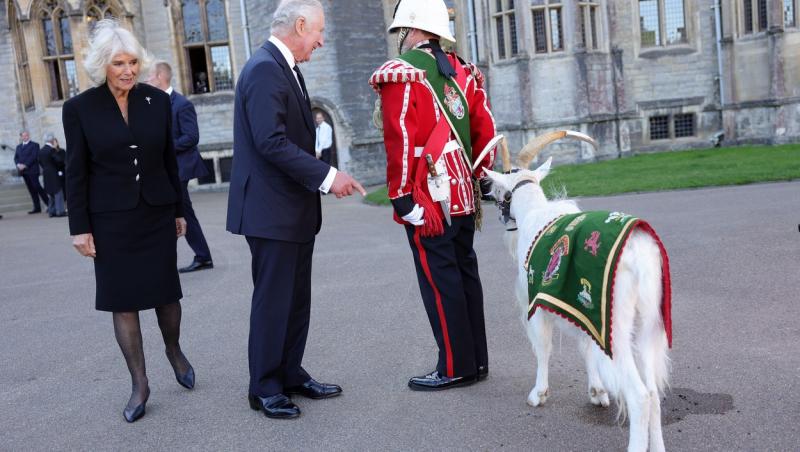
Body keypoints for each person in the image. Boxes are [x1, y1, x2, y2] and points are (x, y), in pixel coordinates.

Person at [226, 0, 365, 420]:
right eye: (319, 31)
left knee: (295, 298)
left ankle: (289, 372)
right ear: (300, 24)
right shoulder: (265, 68)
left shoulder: (284, 65)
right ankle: (264, 387)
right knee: (274, 300)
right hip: (271, 211)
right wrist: (327, 176)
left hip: (290, 209)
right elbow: (271, 142)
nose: (322, 41)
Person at [63, 19, 195, 423]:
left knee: (166, 294)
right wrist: (79, 228)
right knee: (123, 303)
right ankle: (140, 383)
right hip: (109, 220)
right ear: (103, 64)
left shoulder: (157, 101)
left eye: (133, 61)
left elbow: (169, 162)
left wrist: (177, 211)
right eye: (119, 62)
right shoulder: (79, 109)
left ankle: (173, 348)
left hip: (155, 211)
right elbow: (76, 171)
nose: (128, 70)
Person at [369, 0, 498, 391]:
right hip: (462, 191)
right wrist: (480, 178)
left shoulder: (403, 73)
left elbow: (402, 139)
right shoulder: (464, 70)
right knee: (464, 272)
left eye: (401, 32)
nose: (400, 40)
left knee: (440, 281)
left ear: (414, 29)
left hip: (429, 194)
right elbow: (484, 130)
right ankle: (475, 361)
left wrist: (401, 197)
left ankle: (455, 366)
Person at [146, 60, 214, 273]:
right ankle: (201, 256)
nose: (146, 80)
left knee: (179, 211)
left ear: (159, 77)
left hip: (181, 168)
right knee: (178, 211)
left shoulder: (182, 104)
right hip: (165, 169)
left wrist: (164, 147)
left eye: (149, 76)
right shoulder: (152, 103)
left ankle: (200, 257)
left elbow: (191, 137)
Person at [14, 130, 48, 214]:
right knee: (31, 190)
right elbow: (16, 157)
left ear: (28, 136)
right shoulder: (18, 147)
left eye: (27, 135)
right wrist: (18, 164)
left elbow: (34, 156)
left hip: (32, 170)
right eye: (23, 136)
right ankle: (37, 208)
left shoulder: (35, 145)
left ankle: (49, 204)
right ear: (21, 137)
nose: (25, 137)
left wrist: (25, 165)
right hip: (23, 172)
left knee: (37, 187)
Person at [38, 133, 67, 217]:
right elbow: (58, 160)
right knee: (58, 192)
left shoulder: (41, 150)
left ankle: (52, 211)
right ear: (51, 140)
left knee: (51, 193)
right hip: (54, 172)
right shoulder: (51, 149)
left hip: (46, 173)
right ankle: (60, 211)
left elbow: (40, 162)